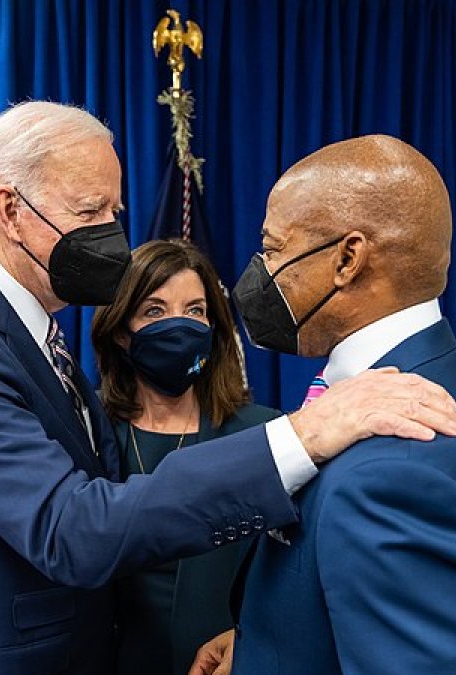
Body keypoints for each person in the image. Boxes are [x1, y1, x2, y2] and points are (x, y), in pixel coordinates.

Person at [0, 102, 456, 675]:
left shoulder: (26, 330)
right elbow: (71, 528)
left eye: (114, 215)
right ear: (11, 211)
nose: (111, 237)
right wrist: (304, 434)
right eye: (89, 211)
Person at [191, 135, 456, 675]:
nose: (259, 272)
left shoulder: (398, 470)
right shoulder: (431, 373)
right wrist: (262, 647)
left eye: (274, 249)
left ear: (348, 258)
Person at [90, 239, 280, 675]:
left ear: (213, 327)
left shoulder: (260, 434)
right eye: (155, 311)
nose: (178, 326)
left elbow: (290, 574)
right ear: (121, 330)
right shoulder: (88, 431)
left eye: (195, 310)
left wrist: (247, 638)